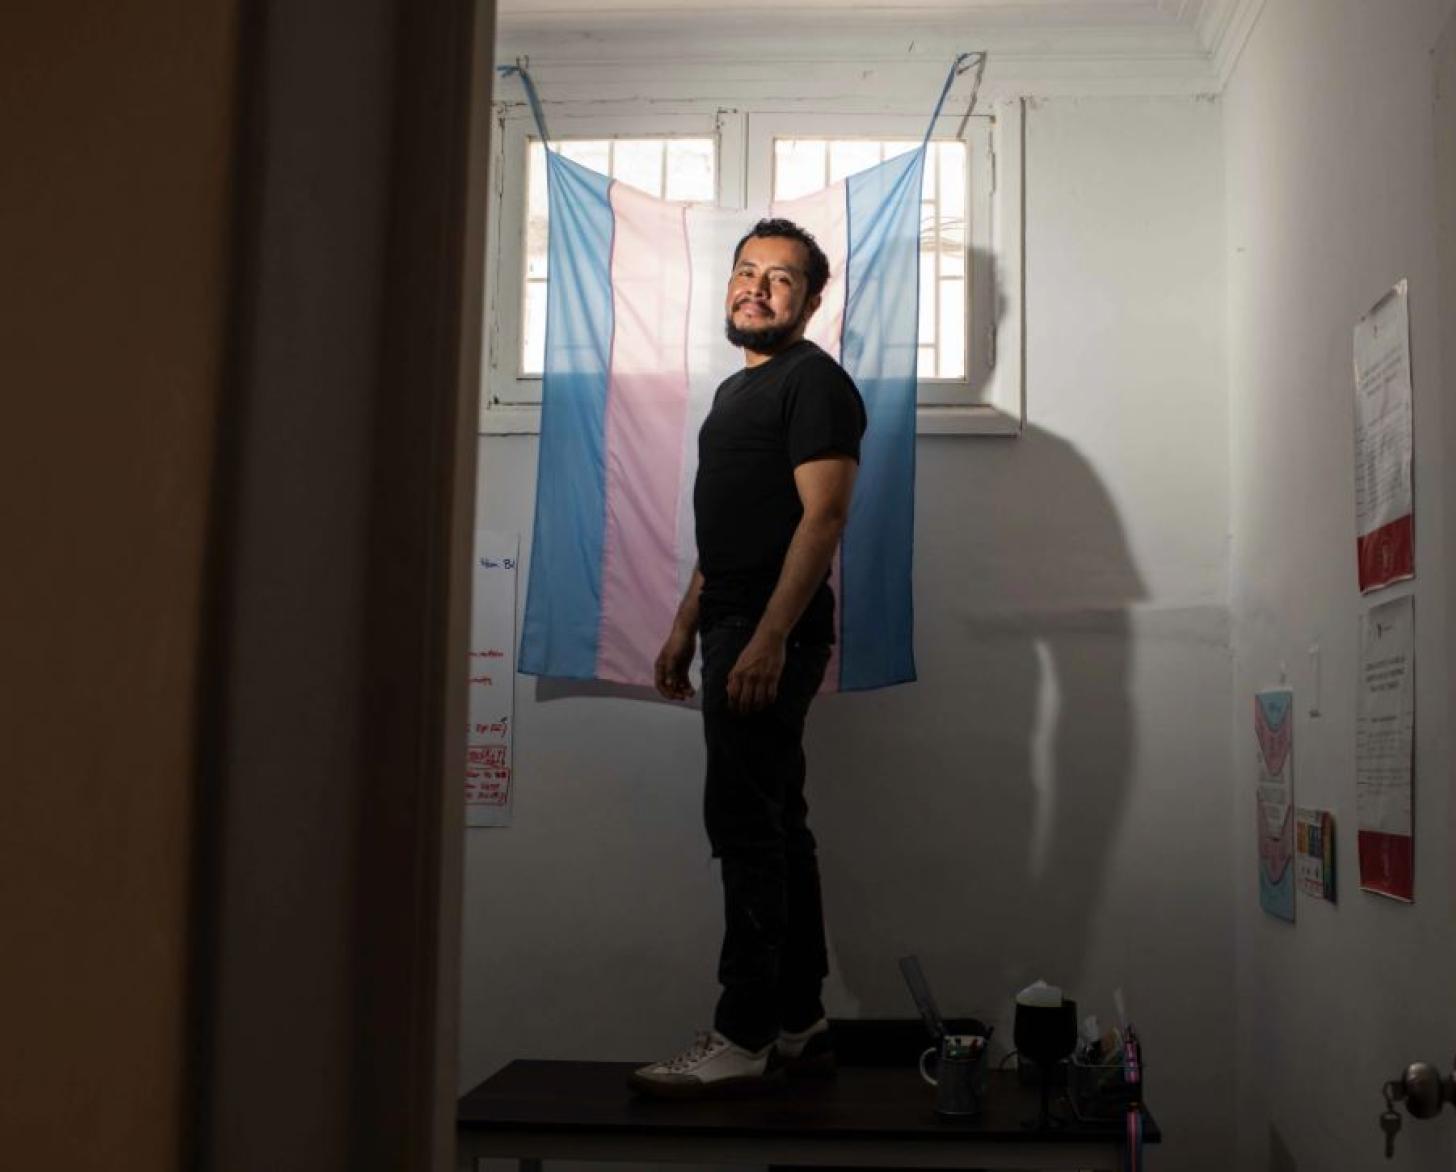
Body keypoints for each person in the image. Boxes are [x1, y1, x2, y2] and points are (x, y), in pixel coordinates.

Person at [629, 219, 866, 1098]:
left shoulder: (815, 383)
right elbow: (729, 534)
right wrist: (686, 625)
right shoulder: (738, 396)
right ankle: (800, 1024)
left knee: (745, 829)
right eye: (746, 272)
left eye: (780, 279)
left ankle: (744, 1032)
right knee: (776, 823)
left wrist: (767, 638)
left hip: (771, 635)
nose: (757, 289)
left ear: (809, 300)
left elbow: (824, 517)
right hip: (731, 624)